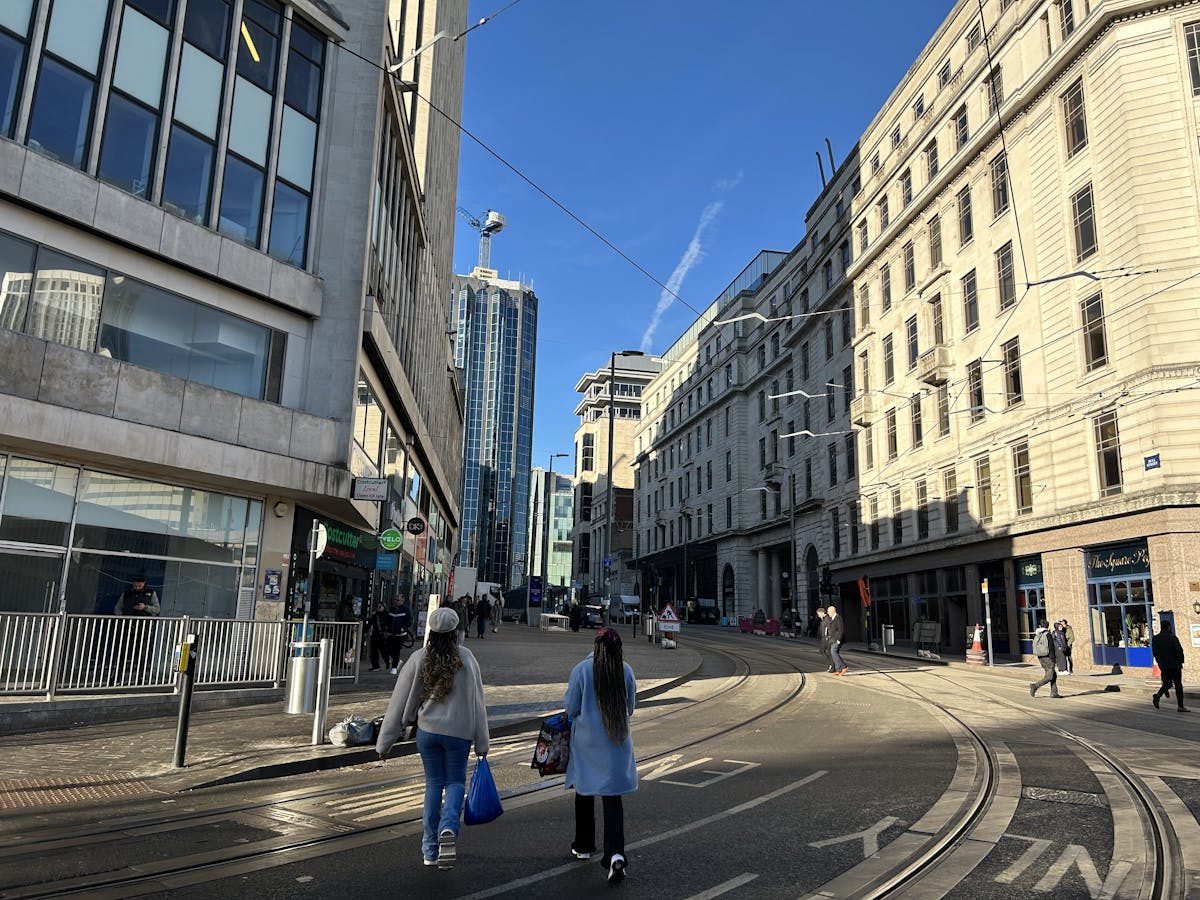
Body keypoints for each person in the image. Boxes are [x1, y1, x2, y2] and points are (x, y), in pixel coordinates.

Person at [376, 607, 489, 869]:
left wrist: (384, 743)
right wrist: (482, 743)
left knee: (433, 784)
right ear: (455, 632)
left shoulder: (418, 658)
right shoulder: (467, 658)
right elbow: (478, 702)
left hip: (427, 732)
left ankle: (429, 850)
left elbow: (398, 703)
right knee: (455, 783)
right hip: (459, 733)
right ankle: (448, 827)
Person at [565, 627, 637, 885]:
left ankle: (584, 845)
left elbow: (571, 708)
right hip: (616, 744)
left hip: (587, 744)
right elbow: (630, 708)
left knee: (583, 791)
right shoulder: (626, 670)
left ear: (596, 647)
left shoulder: (581, 670)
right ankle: (616, 854)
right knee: (612, 799)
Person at [1151, 621, 1188, 712]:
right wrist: (1181, 661)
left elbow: (1155, 653)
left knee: (1168, 684)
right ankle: (1180, 706)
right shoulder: (1172, 638)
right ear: (1168, 627)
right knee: (1178, 684)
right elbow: (1179, 650)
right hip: (1175, 665)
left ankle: (1158, 696)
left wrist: (1160, 663)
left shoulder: (1155, 639)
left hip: (1164, 665)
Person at [1029, 618, 1062, 698]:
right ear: (1047, 626)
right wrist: (1053, 659)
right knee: (1050, 675)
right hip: (1048, 657)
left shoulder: (1037, 634)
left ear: (1040, 626)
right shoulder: (1047, 635)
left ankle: (1054, 693)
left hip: (1041, 657)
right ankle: (1035, 686)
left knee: (1053, 674)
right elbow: (1051, 647)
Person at [368, 602, 392, 671]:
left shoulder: (387, 615)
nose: (378, 608)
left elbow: (390, 625)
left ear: (384, 607)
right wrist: (365, 631)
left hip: (383, 636)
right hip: (375, 635)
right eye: (377, 607)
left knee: (383, 651)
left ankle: (387, 661)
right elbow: (370, 623)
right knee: (373, 652)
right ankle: (375, 666)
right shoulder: (375, 615)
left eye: (380, 607)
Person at [827, 606, 847, 675]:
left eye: (828, 611)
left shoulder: (838, 618)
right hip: (832, 639)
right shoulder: (832, 618)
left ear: (832, 611)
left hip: (837, 639)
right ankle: (838, 669)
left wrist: (839, 640)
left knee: (833, 652)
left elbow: (841, 630)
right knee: (834, 653)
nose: (828, 613)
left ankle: (844, 667)